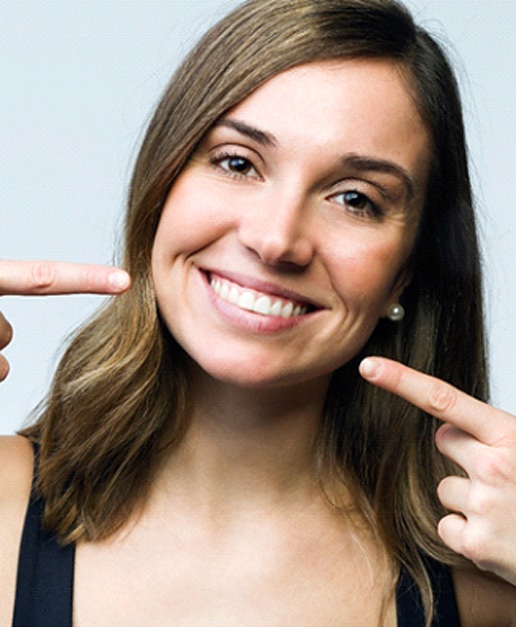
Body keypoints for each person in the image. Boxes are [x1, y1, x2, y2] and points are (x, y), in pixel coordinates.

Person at [1, 0, 515, 624]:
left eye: (355, 199)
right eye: (238, 162)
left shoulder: (482, 580)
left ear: (405, 272)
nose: (275, 240)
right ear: (161, 185)